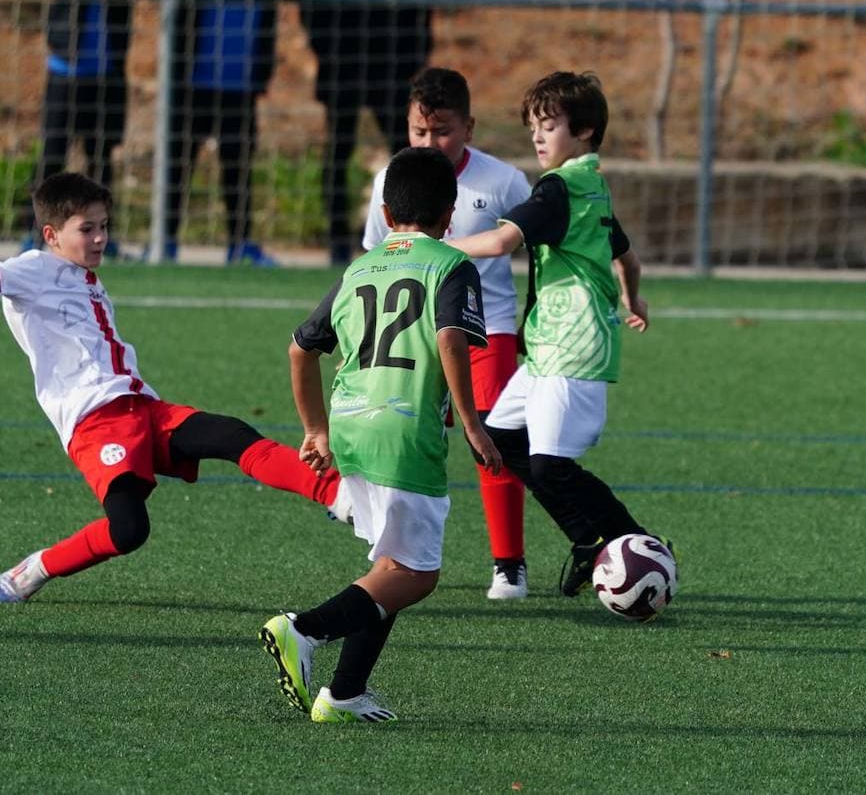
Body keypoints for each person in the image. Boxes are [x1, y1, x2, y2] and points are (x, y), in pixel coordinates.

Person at [0, 172, 340, 602]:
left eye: (104, 227)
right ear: (51, 233)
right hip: (96, 422)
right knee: (129, 530)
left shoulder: (84, 274)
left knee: (230, 434)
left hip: (141, 407)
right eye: (88, 229)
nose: (100, 238)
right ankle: (36, 568)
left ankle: (339, 497)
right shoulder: (32, 269)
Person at [262, 147, 502, 724]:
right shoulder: (450, 264)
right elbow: (449, 336)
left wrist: (315, 429)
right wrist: (472, 423)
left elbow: (300, 348)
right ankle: (304, 629)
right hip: (403, 433)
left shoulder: (359, 267)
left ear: (388, 212)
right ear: (450, 217)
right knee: (416, 574)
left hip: (349, 428)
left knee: (389, 566)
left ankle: (344, 694)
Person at [447, 71, 671, 599]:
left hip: (573, 346)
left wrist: (438, 247)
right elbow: (627, 255)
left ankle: (633, 543)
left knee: (548, 466)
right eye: (533, 127)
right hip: (550, 348)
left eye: (549, 125)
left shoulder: (559, 189)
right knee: (499, 441)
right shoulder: (594, 184)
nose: (538, 136)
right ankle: (595, 543)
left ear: (586, 131)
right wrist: (631, 297)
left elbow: (502, 241)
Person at [360, 68, 532, 600]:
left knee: (495, 435)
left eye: (442, 132)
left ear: (470, 128)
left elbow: (540, 251)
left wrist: (534, 319)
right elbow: (375, 255)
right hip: (411, 332)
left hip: (488, 330)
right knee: (400, 434)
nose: (429, 143)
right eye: (418, 132)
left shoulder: (503, 181)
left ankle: (509, 563)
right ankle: (391, 552)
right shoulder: (392, 179)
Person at [159, 0, 303, 265]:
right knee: (177, 164)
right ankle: (164, 241)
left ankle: (241, 244)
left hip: (241, 81)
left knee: (238, 168)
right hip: (191, 79)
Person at [306, 0, 433, 264]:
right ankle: (336, 239)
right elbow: (313, 3)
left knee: (405, 152)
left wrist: (413, 56)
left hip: (390, 65)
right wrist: (328, 49)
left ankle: (410, 233)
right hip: (342, 63)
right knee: (338, 150)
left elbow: (418, 1)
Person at [31, 0, 156, 253]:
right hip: (66, 72)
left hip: (108, 75)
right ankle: (37, 232)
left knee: (101, 157)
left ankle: (100, 238)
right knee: (53, 155)